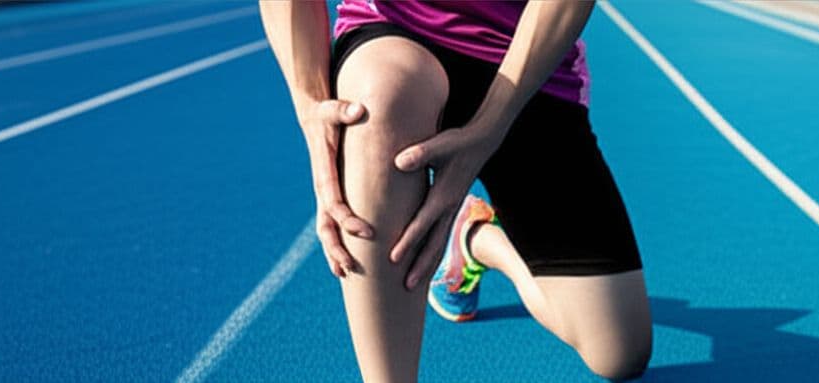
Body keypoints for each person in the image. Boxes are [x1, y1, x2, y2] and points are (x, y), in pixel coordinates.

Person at [259, 1, 652, 381]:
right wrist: (310, 105)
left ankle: (475, 238)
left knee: (619, 352)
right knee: (381, 97)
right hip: (398, 34)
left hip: (528, 59)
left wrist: (491, 127)